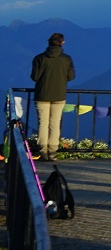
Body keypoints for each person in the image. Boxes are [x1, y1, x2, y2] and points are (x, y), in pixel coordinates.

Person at [30, 32, 75, 162]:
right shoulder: (67, 59)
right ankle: (53, 151)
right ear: (62, 43)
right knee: (55, 124)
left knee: (43, 123)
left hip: (42, 95)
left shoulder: (39, 58)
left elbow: (34, 77)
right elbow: (71, 76)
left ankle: (43, 150)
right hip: (59, 95)